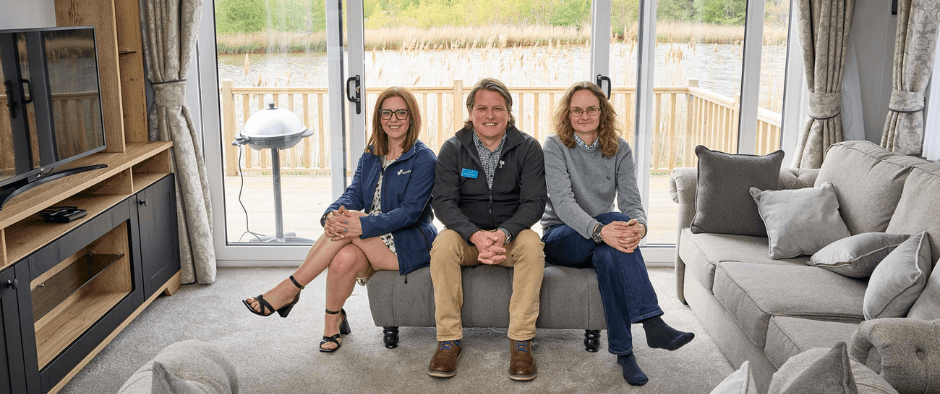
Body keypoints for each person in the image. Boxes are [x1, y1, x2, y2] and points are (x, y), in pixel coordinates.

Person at [243, 87, 437, 353]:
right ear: (379, 118)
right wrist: (331, 215)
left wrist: (361, 224)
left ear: (412, 116)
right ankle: (332, 324)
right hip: (367, 237)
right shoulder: (371, 154)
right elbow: (354, 194)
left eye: (401, 112)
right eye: (387, 112)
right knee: (344, 255)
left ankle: (290, 289)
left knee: (352, 221)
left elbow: (410, 213)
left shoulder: (424, 158)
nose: (394, 118)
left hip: (406, 244)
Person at [540, 81, 695, 386]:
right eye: (576, 110)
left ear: (602, 112)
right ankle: (652, 322)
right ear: (567, 114)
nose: (584, 115)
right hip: (561, 237)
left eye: (591, 109)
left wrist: (639, 225)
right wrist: (601, 229)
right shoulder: (554, 145)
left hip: (602, 238)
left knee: (612, 252)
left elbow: (632, 201)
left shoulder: (619, 148)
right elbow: (564, 204)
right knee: (614, 220)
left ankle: (626, 353)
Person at [427, 78, 547, 381]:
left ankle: (521, 342)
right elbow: (443, 203)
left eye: (497, 108)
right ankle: (448, 340)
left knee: (533, 245)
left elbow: (534, 203)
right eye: (482, 108)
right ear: (470, 112)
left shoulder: (528, 148)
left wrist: (504, 233)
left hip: (511, 236)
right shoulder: (453, 148)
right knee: (442, 246)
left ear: (508, 113)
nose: (489, 115)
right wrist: (475, 235)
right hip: (467, 237)